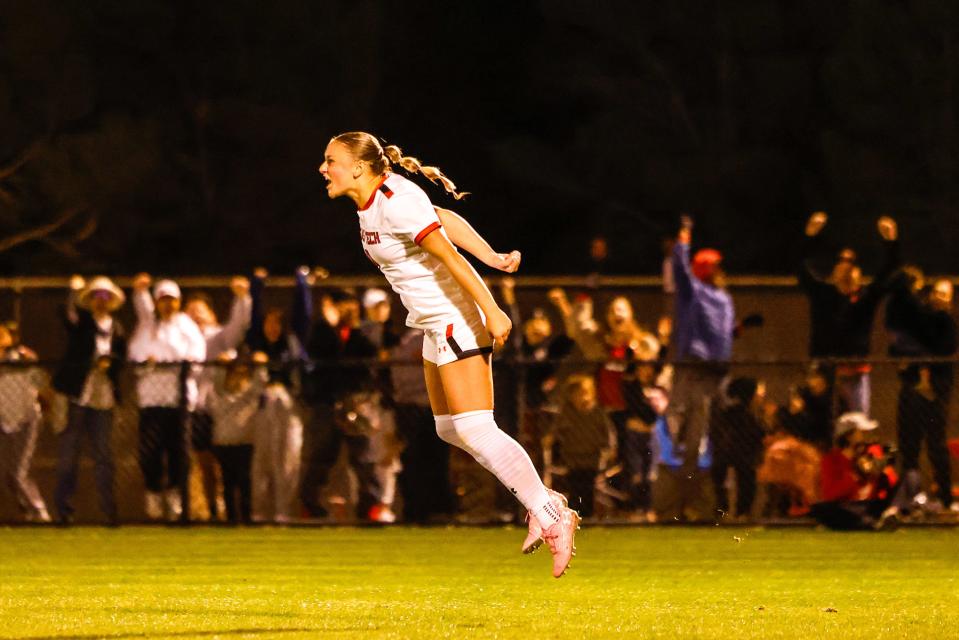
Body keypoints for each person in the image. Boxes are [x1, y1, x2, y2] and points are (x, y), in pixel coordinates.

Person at [318, 131, 578, 578]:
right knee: (447, 429)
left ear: (359, 167)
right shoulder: (377, 202)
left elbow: (451, 257)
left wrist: (494, 309)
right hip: (433, 324)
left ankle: (550, 513)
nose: (324, 169)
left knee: (476, 427)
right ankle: (544, 499)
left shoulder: (395, 199)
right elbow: (442, 219)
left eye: (331, 160)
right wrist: (494, 255)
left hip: (458, 318)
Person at [799, 212, 900, 414]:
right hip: (824, 369)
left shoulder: (864, 298)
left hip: (855, 371)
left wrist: (891, 241)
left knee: (856, 422)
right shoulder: (823, 293)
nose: (846, 267)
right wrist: (810, 236)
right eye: (841, 261)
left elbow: (888, 272)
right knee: (823, 422)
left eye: (851, 263)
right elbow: (800, 269)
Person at [128, 274, 207, 521]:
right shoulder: (147, 327)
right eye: (163, 299)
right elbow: (138, 355)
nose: (168, 304)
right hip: (152, 401)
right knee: (150, 453)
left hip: (180, 402)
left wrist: (167, 361)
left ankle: (175, 501)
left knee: (179, 454)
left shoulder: (186, 326)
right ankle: (153, 494)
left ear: (179, 302)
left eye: (172, 300)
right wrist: (152, 363)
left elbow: (195, 358)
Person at [51, 276, 127, 525]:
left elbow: (121, 361)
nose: (101, 301)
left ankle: (109, 510)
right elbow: (67, 314)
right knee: (68, 454)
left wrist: (110, 363)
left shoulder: (117, 328)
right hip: (78, 395)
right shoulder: (82, 323)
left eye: (106, 296)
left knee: (104, 455)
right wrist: (73, 291)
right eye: (96, 296)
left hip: (103, 398)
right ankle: (64, 510)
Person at [885, 268, 957, 512]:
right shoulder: (921, 318)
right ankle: (910, 497)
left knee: (936, 445)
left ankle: (946, 498)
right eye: (936, 292)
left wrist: (921, 358)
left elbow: (943, 350)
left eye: (945, 295)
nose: (939, 297)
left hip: (936, 393)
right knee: (909, 445)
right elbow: (897, 348)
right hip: (912, 389)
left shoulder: (947, 323)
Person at [669, 216, 734, 478]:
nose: (719, 270)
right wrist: (683, 241)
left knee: (706, 426)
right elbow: (680, 270)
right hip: (694, 365)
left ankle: (694, 476)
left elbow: (721, 331)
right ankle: (678, 471)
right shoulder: (693, 290)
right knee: (685, 420)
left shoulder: (723, 296)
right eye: (713, 266)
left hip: (716, 370)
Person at [184, 277, 252, 521]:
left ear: (212, 315)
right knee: (204, 463)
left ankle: (232, 508)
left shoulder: (217, 336)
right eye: (191, 313)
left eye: (201, 312)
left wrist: (242, 298)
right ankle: (212, 508)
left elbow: (238, 326)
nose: (197, 317)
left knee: (227, 462)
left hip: (223, 410)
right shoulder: (182, 337)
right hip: (198, 409)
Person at [245, 268, 308, 523]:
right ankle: (259, 512)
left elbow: (304, 316)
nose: (271, 328)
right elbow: (254, 313)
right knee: (262, 460)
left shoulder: (291, 344)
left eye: (276, 324)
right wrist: (257, 283)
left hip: (289, 403)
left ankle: (284, 512)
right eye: (267, 323)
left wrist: (301, 283)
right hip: (262, 404)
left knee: (288, 460)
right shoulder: (258, 343)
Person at [810, 412, 904, 530]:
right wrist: (857, 475)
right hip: (846, 507)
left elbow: (888, 488)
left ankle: (885, 517)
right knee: (823, 509)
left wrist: (883, 472)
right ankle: (872, 524)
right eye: (862, 431)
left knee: (905, 479)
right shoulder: (831, 460)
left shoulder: (871, 454)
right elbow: (831, 495)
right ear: (849, 436)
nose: (868, 434)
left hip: (867, 506)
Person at [207, 350, 268, 524]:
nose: (238, 376)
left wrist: (260, 365)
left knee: (244, 481)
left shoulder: (249, 394)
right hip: (224, 443)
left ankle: (246, 518)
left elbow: (260, 382)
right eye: (234, 372)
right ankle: (231, 518)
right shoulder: (221, 392)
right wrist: (221, 364)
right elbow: (217, 379)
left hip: (244, 442)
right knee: (227, 482)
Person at [544, 375, 616, 519]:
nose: (582, 397)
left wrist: (611, 448)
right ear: (571, 396)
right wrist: (550, 438)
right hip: (572, 457)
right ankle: (575, 514)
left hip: (591, 457)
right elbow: (555, 430)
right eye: (578, 394)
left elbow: (608, 432)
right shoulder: (567, 412)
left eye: (585, 392)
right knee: (575, 486)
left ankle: (588, 515)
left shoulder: (597, 413)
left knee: (588, 487)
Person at [0, 324, 50, 523]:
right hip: (4, 421)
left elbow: (41, 382)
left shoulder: (21, 358)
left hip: (27, 420)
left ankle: (40, 511)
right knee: (7, 473)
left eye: (2, 335)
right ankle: (26, 509)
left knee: (20, 472)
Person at [708, 377, 768, 521]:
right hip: (740, 455)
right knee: (747, 478)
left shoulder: (726, 412)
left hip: (726, 455)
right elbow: (758, 433)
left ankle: (724, 511)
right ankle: (741, 512)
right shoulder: (744, 413)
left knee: (727, 482)